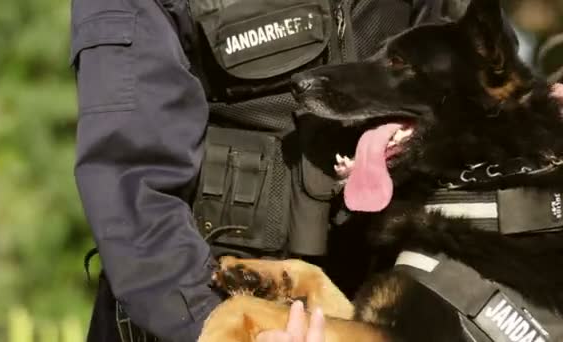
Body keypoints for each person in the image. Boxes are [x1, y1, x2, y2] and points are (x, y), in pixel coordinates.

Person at [69, 0, 469, 341]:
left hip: (375, 305)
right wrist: (225, 324)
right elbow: (130, 187)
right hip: (203, 308)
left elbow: (478, 112)